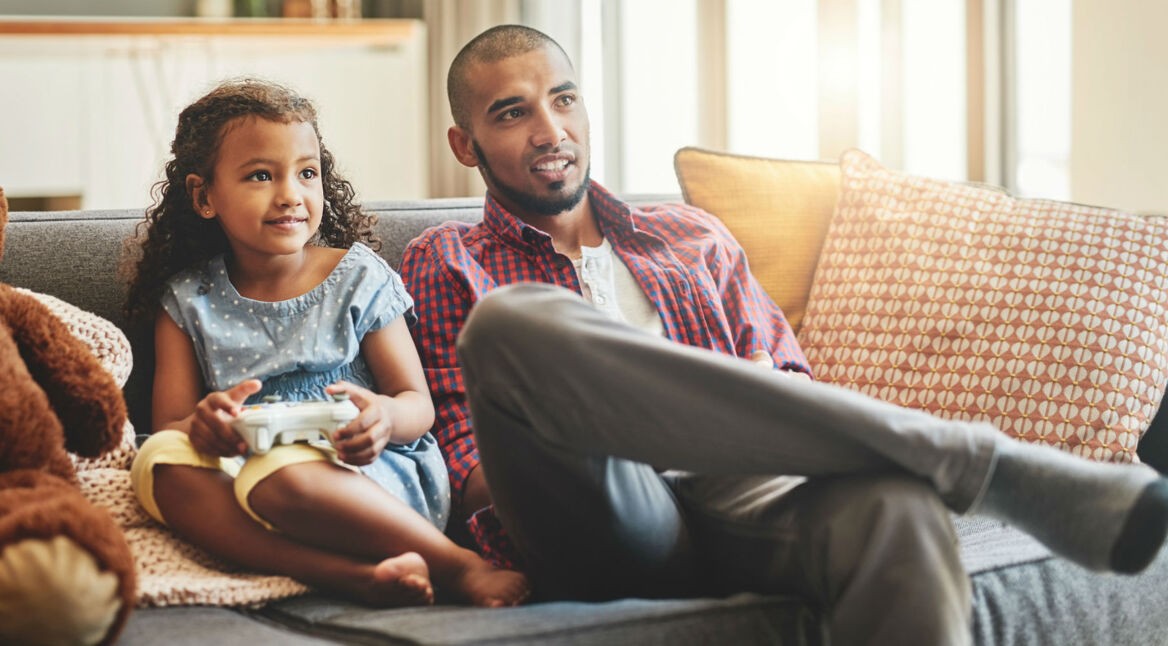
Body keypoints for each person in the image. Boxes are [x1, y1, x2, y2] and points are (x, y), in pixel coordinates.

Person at [398, 24, 1168, 645]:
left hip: (745, 486)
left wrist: (736, 413)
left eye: (564, 100)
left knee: (893, 504)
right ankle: (981, 462)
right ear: (465, 144)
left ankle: (948, 468)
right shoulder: (447, 258)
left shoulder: (692, 236)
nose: (550, 129)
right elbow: (467, 473)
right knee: (512, 323)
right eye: (512, 112)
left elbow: (793, 389)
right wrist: (614, 417)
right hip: (603, 509)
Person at [122, 78, 529, 608]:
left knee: (279, 477)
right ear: (204, 196)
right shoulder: (187, 299)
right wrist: (205, 426)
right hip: (247, 472)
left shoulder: (358, 276)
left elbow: (417, 405)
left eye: (307, 173)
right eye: (261, 175)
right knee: (157, 461)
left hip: (366, 470)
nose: (291, 193)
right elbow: (172, 425)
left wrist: (382, 418)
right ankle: (348, 574)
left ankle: (454, 564)